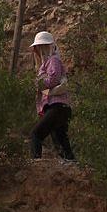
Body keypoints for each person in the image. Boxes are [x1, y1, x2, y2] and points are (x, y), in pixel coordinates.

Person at [28, 30, 74, 162]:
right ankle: (71, 164)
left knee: (36, 134)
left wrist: (39, 85)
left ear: (49, 47)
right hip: (60, 107)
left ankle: (35, 163)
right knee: (60, 139)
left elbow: (53, 80)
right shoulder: (48, 63)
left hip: (56, 106)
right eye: (39, 48)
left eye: (43, 47)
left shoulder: (53, 60)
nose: (41, 51)